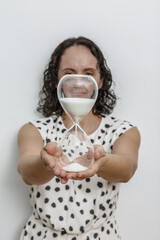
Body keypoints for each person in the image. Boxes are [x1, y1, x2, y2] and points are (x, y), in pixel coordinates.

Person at [17, 36, 141, 240]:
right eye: (69, 74)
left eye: (89, 74)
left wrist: (103, 161)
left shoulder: (122, 130)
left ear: (100, 81)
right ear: (57, 80)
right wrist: (45, 162)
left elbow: (127, 169)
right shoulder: (34, 130)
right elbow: (26, 172)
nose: (79, 83)